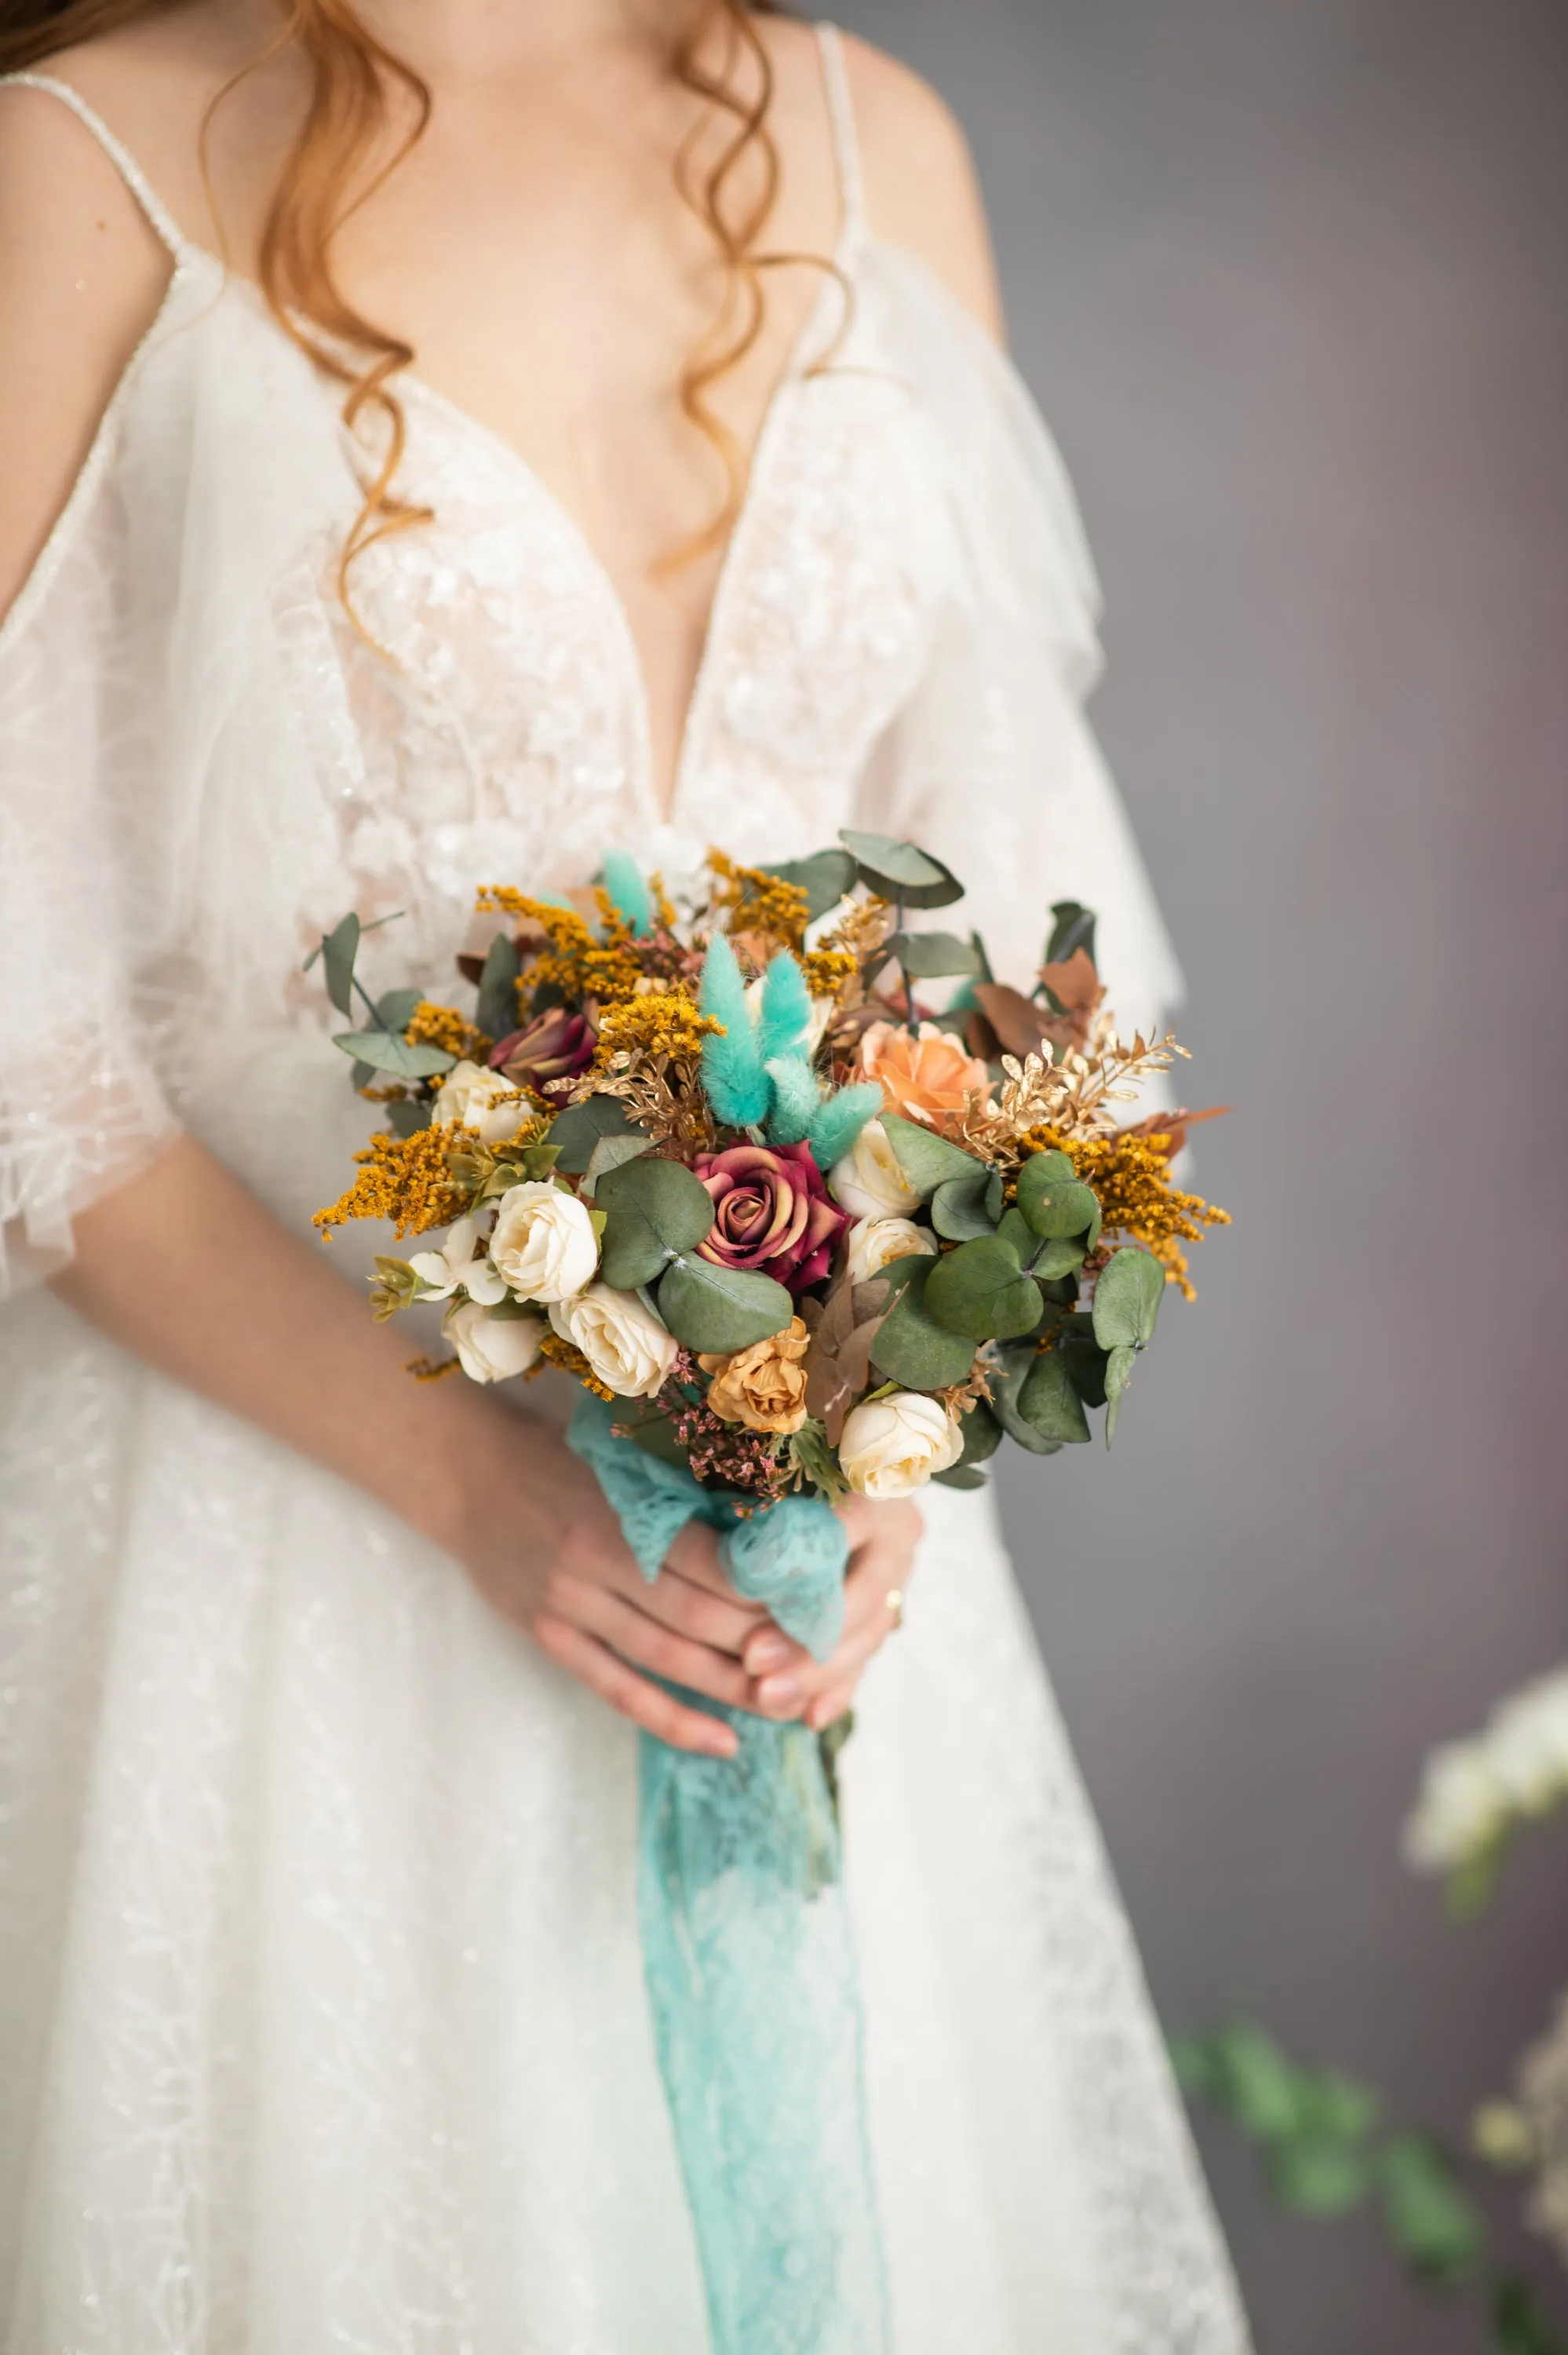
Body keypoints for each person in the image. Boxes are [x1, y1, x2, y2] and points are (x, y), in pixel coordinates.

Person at [0, 2, 1251, 2345]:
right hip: (286, 1538)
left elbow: (1036, 953)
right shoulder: (83, 167)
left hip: (816, 1592)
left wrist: (905, 1416)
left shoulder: (878, 141)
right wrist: (473, 1481)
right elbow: (18, 1035)